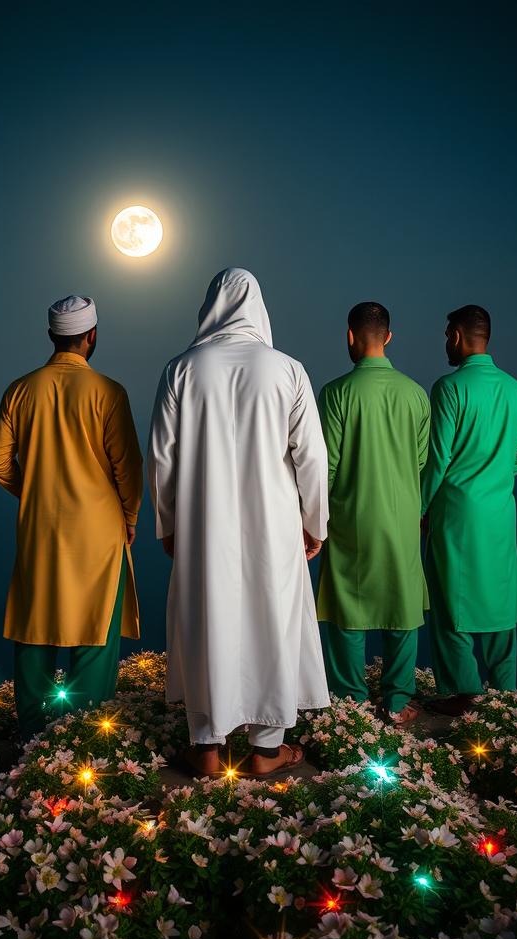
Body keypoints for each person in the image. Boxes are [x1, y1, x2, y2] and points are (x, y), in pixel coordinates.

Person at [147, 267, 329, 777]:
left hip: (204, 523)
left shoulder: (180, 369)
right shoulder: (288, 370)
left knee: (208, 617)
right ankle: (267, 751)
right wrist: (314, 522)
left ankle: (205, 746)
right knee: (271, 617)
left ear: (210, 307)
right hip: (274, 523)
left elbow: (161, 457)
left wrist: (169, 524)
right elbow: (312, 458)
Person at [0, 295, 143, 740]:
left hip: (39, 528)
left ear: (51, 335)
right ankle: (84, 740)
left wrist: (34, 490)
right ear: (91, 336)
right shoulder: (109, 392)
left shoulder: (20, 389)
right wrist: (129, 516)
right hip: (98, 530)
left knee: (35, 628)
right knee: (95, 633)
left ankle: (34, 734)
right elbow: (128, 470)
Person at [316, 301, 430, 725]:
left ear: (350, 336)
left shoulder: (336, 393)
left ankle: (351, 702)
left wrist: (312, 519)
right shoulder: (416, 393)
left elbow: (325, 464)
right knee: (402, 605)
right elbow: (421, 461)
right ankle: (398, 701)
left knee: (347, 606)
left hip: (350, 518)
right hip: (402, 517)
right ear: (389, 337)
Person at [420, 304, 517, 715]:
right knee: (502, 600)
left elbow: (438, 459)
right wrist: (496, 474)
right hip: (500, 512)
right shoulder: (516, 390)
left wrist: (419, 507)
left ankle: (465, 693)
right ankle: (506, 695)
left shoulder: (450, 388)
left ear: (455, 335)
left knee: (452, 601)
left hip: (456, 510)